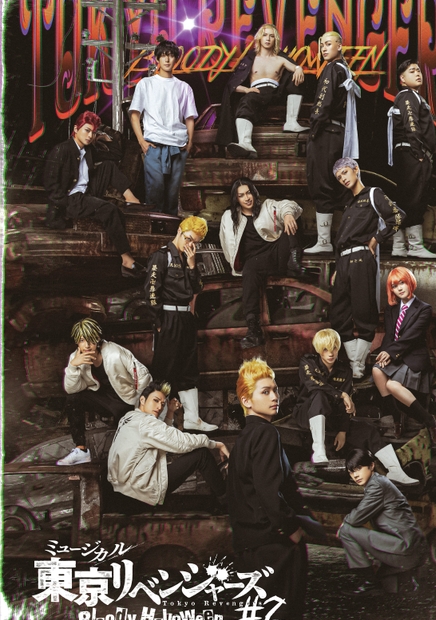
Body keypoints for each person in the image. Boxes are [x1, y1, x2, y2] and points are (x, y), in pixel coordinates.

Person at [227, 358, 321, 620]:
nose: (274, 397)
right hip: (271, 541)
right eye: (265, 392)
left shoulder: (244, 438)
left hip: (248, 540)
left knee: (249, 613)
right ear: (247, 400)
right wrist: (292, 529)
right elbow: (270, 493)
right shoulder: (267, 434)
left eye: (275, 390)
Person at [292, 329, 419, 485]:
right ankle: (319, 451)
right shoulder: (308, 362)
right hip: (306, 414)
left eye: (334, 348)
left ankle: (395, 471)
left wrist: (343, 430)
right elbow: (315, 385)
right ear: (318, 349)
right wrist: (342, 395)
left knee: (368, 430)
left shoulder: (345, 370)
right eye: (325, 349)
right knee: (319, 395)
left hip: (332, 417)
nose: (330, 353)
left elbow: (346, 405)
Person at [44, 111, 145, 279]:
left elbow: (116, 155)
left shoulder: (88, 149)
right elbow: (50, 185)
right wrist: (66, 205)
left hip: (86, 193)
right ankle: (127, 261)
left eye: (93, 132)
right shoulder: (62, 150)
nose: (90, 135)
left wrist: (104, 138)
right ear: (75, 129)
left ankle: (131, 198)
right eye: (87, 130)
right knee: (110, 210)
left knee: (108, 166)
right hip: (72, 200)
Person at [331, 157, 405, 379]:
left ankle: (357, 366)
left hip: (361, 259)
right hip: (343, 262)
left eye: (345, 172)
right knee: (338, 316)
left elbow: (398, 216)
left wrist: (376, 239)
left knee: (364, 313)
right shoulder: (349, 204)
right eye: (339, 177)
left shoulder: (373, 194)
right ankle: (356, 361)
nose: (343, 179)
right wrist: (337, 268)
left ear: (356, 169)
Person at [107, 382, 229, 511]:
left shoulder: (129, 417)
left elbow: (162, 436)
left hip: (122, 491)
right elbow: (179, 442)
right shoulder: (145, 422)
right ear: (142, 400)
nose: (159, 406)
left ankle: (221, 498)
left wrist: (170, 412)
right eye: (155, 400)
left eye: (162, 404)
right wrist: (216, 444)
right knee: (202, 455)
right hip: (139, 494)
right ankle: (227, 502)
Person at [145, 216, 217, 432]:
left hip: (186, 318)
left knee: (189, 368)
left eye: (195, 242)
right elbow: (151, 291)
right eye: (188, 238)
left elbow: (198, 288)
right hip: (169, 318)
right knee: (164, 370)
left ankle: (193, 419)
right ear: (179, 231)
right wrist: (159, 322)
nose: (190, 244)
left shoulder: (189, 257)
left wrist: (192, 265)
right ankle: (156, 422)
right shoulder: (161, 256)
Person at [219, 178, 306, 349]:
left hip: (276, 253)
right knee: (249, 273)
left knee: (291, 219)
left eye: (249, 193)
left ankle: (294, 262)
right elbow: (225, 241)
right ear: (236, 198)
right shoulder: (228, 217)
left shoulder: (267, 206)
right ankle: (253, 330)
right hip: (254, 261)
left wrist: (287, 215)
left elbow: (289, 205)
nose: (247, 198)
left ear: (254, 193)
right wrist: (234, 263)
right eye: (241, 195)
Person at [58, 318, 152, 466]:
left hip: (125, 401)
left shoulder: (114, 352)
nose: (87, 345)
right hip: (103, 400)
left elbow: (143, 376)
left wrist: (140, 404)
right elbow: (71, 389)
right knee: (73, 399)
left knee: (130, 449)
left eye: (91, 339)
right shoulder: (75, 358)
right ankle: (81, 451)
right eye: (82, 340)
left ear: (97, 338)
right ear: (77, 342)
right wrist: (73, 367)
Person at [338, 448, 427, 594]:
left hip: (406, 549)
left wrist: (345, 521)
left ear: (371, 466)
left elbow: (354, 519)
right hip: (414, 548)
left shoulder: (376, 486)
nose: (355, 475)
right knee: (390, 587)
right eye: (351, 472)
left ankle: (369, 582)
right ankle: (405, 577)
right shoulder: (380, 481)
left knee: (346, 530)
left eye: (359, 469)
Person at [372, 266, 436, 444]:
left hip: (413, 356)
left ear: (410, 282)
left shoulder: (424, 308)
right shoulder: (391, 309)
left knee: (392, 385)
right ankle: (397, 418)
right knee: (376, 371)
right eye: (395, 286)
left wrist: (390, 352)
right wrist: (384, 352)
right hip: (395, 354)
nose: (399, 288)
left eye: (402, 283)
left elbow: (412, 336)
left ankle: (431, 421)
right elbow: (389, 335)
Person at [305, 31, 361, 254]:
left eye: (329, 44)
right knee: (339, 185)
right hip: (340, 134)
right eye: (322, 46)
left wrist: (313, 131)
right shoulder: (345, 70)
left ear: (340, 46)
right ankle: (345, 239)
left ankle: (324, 242)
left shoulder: (331, 69)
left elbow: (322, 104)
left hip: (327, 133)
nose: (324, 49)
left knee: (322, 183)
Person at [216, 23, 306, 159]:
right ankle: (245, 143)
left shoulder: (280, 59)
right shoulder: (250, 60)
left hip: (275, 92)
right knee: (246, 101)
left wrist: (299, 68)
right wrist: (247, 90)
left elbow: (295, 68)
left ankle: (291, 122)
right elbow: (232, 85)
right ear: (259, 38)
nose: (268, 39)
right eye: (265, 35)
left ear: (275, 39)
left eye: (271, 36)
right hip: (257, 92)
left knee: (296, 77)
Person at [129, 38, 197, 215]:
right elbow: (134, 114)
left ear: (176, 59)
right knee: (155, 190)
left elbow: (189, 117)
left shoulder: (184, 87)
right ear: (157, 58)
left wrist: (189, 143)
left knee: (173, 194)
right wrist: (141, 142)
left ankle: (170, 229)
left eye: (171, 55)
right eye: (164, 55)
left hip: (178, 145)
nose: (167, 59)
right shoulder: (146, 84)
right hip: (154, 144)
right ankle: (154, 227)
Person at [387, 59, 436, 259]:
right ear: (402, 79)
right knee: (415, 199)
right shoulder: (408, 96)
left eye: (418, 70)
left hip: (407, 153)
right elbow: (412, 125)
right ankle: (415, 246)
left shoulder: (411, 96)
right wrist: (419, 154)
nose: (418, 74)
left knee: (405, 198)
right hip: (411, 153)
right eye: (412, 71)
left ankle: (399, 246)